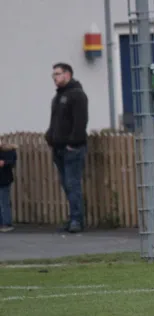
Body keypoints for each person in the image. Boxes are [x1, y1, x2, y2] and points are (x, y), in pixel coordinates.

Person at [45, 62, 89, 233]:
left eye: (58, 74)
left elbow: (80, 122)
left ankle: (77, 220)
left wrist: (73, 143)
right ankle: (73, 218)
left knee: (72, 184)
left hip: (72, 149)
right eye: (53, 75)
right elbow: (55, 122)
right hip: (59, 148)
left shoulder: (76, 95)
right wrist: (50, 136)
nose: (55, 78)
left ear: (67, 74)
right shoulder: (58, 97)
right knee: (66, 184)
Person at [0, 142, 17, 233]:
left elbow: (12, 162)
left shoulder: (8, 151)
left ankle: (6, 223)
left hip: (4, 180)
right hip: (4, 179)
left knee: (4, 202)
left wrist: (5, 163)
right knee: (3, 202)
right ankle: (3, 223)